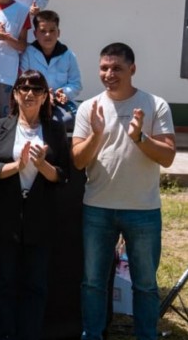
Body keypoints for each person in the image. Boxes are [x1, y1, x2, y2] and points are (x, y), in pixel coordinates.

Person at [72, 43, 176, 340]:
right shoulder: (88, 108)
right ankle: (92, 335)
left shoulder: (155, 105)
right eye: (104, 68)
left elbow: (168, 156)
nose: (109, 74)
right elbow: (79, 161)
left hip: (142, 210)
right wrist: (95, 134)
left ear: (133, 69)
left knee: (145, 284)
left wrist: (140, 137)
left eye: (117, 68)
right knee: (93, 283)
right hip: (98, 207)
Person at [0, 70, 70, 340]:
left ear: (45, 96)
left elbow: (64, 175)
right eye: (23, 87)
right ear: (15, 94)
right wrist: (18, 165)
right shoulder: (1, 126)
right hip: (6, 217)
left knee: (36, 286)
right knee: (3, 284)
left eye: (36, 89)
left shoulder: (55, 129)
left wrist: (42, 165)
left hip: (40, 218)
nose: (29, 93)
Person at [20, 10, 81, 129]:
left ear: (58, 33)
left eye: (52, 31)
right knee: (32, 121)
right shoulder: (28, 53)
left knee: (68, 120)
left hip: (60, 104)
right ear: (35, 33)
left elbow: (76, 84)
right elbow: (22, 83)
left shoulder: (68, 55)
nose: (48, 35)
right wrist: (43, 94)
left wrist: (64, 92)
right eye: (43, 31)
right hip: (33, 101)